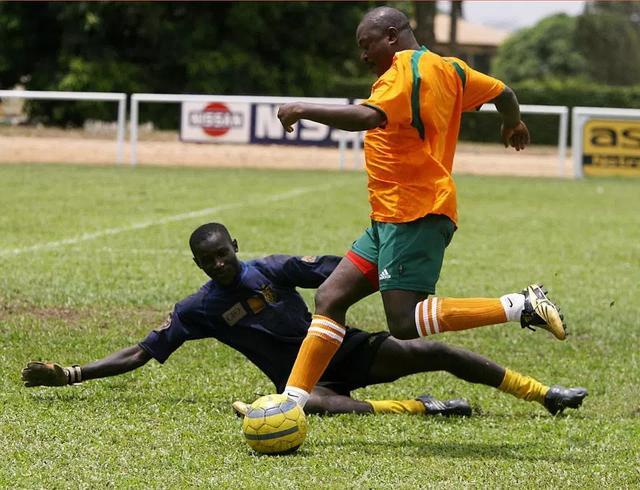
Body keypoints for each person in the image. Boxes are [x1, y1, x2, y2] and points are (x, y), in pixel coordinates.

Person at [275, 6, 570, 408]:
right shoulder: (452, 69)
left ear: (392, 36)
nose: (364, 56)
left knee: (404, 322)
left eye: (367, 45)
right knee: (330, 296)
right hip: (390, 217)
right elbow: (505, 93)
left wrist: (302, 108)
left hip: (412, 212)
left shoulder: (403, 71)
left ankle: (518, 305)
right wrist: (511, 123)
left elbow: (366, 116)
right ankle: (291, 402)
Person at [21, 223, 587, 417]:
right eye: (208, 261)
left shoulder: (273, 268)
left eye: (224, 254)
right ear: (197, 264)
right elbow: (142, 352)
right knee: (305, 402)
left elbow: (344, 273)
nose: (219, 264)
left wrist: (396, 277)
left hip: (353, 350)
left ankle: (543, 394)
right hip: (305, 384)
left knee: (432, 351)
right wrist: (74, 374)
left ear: (234, 247)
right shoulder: (198, 310)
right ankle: (425, 407)